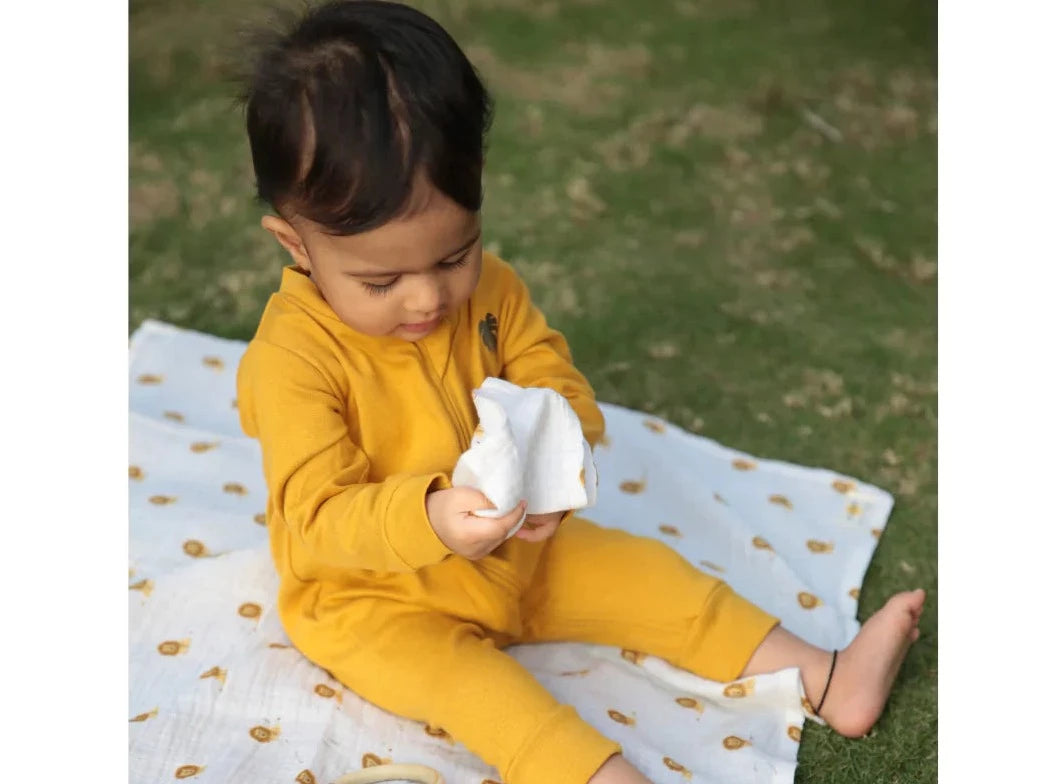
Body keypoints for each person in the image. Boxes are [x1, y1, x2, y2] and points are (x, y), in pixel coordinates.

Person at [234, 2, 925, 782]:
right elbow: (317, 517)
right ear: (296, 245)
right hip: (375, 601)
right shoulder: (293, 359)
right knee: (485, 696)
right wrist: (430, 518)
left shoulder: (489, 292)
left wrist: (556, 463)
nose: (428, 298)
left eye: (455, 255)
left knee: (655, 579)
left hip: (519, 554)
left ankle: (827, 676)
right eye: (381, 280)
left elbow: (545, 371)